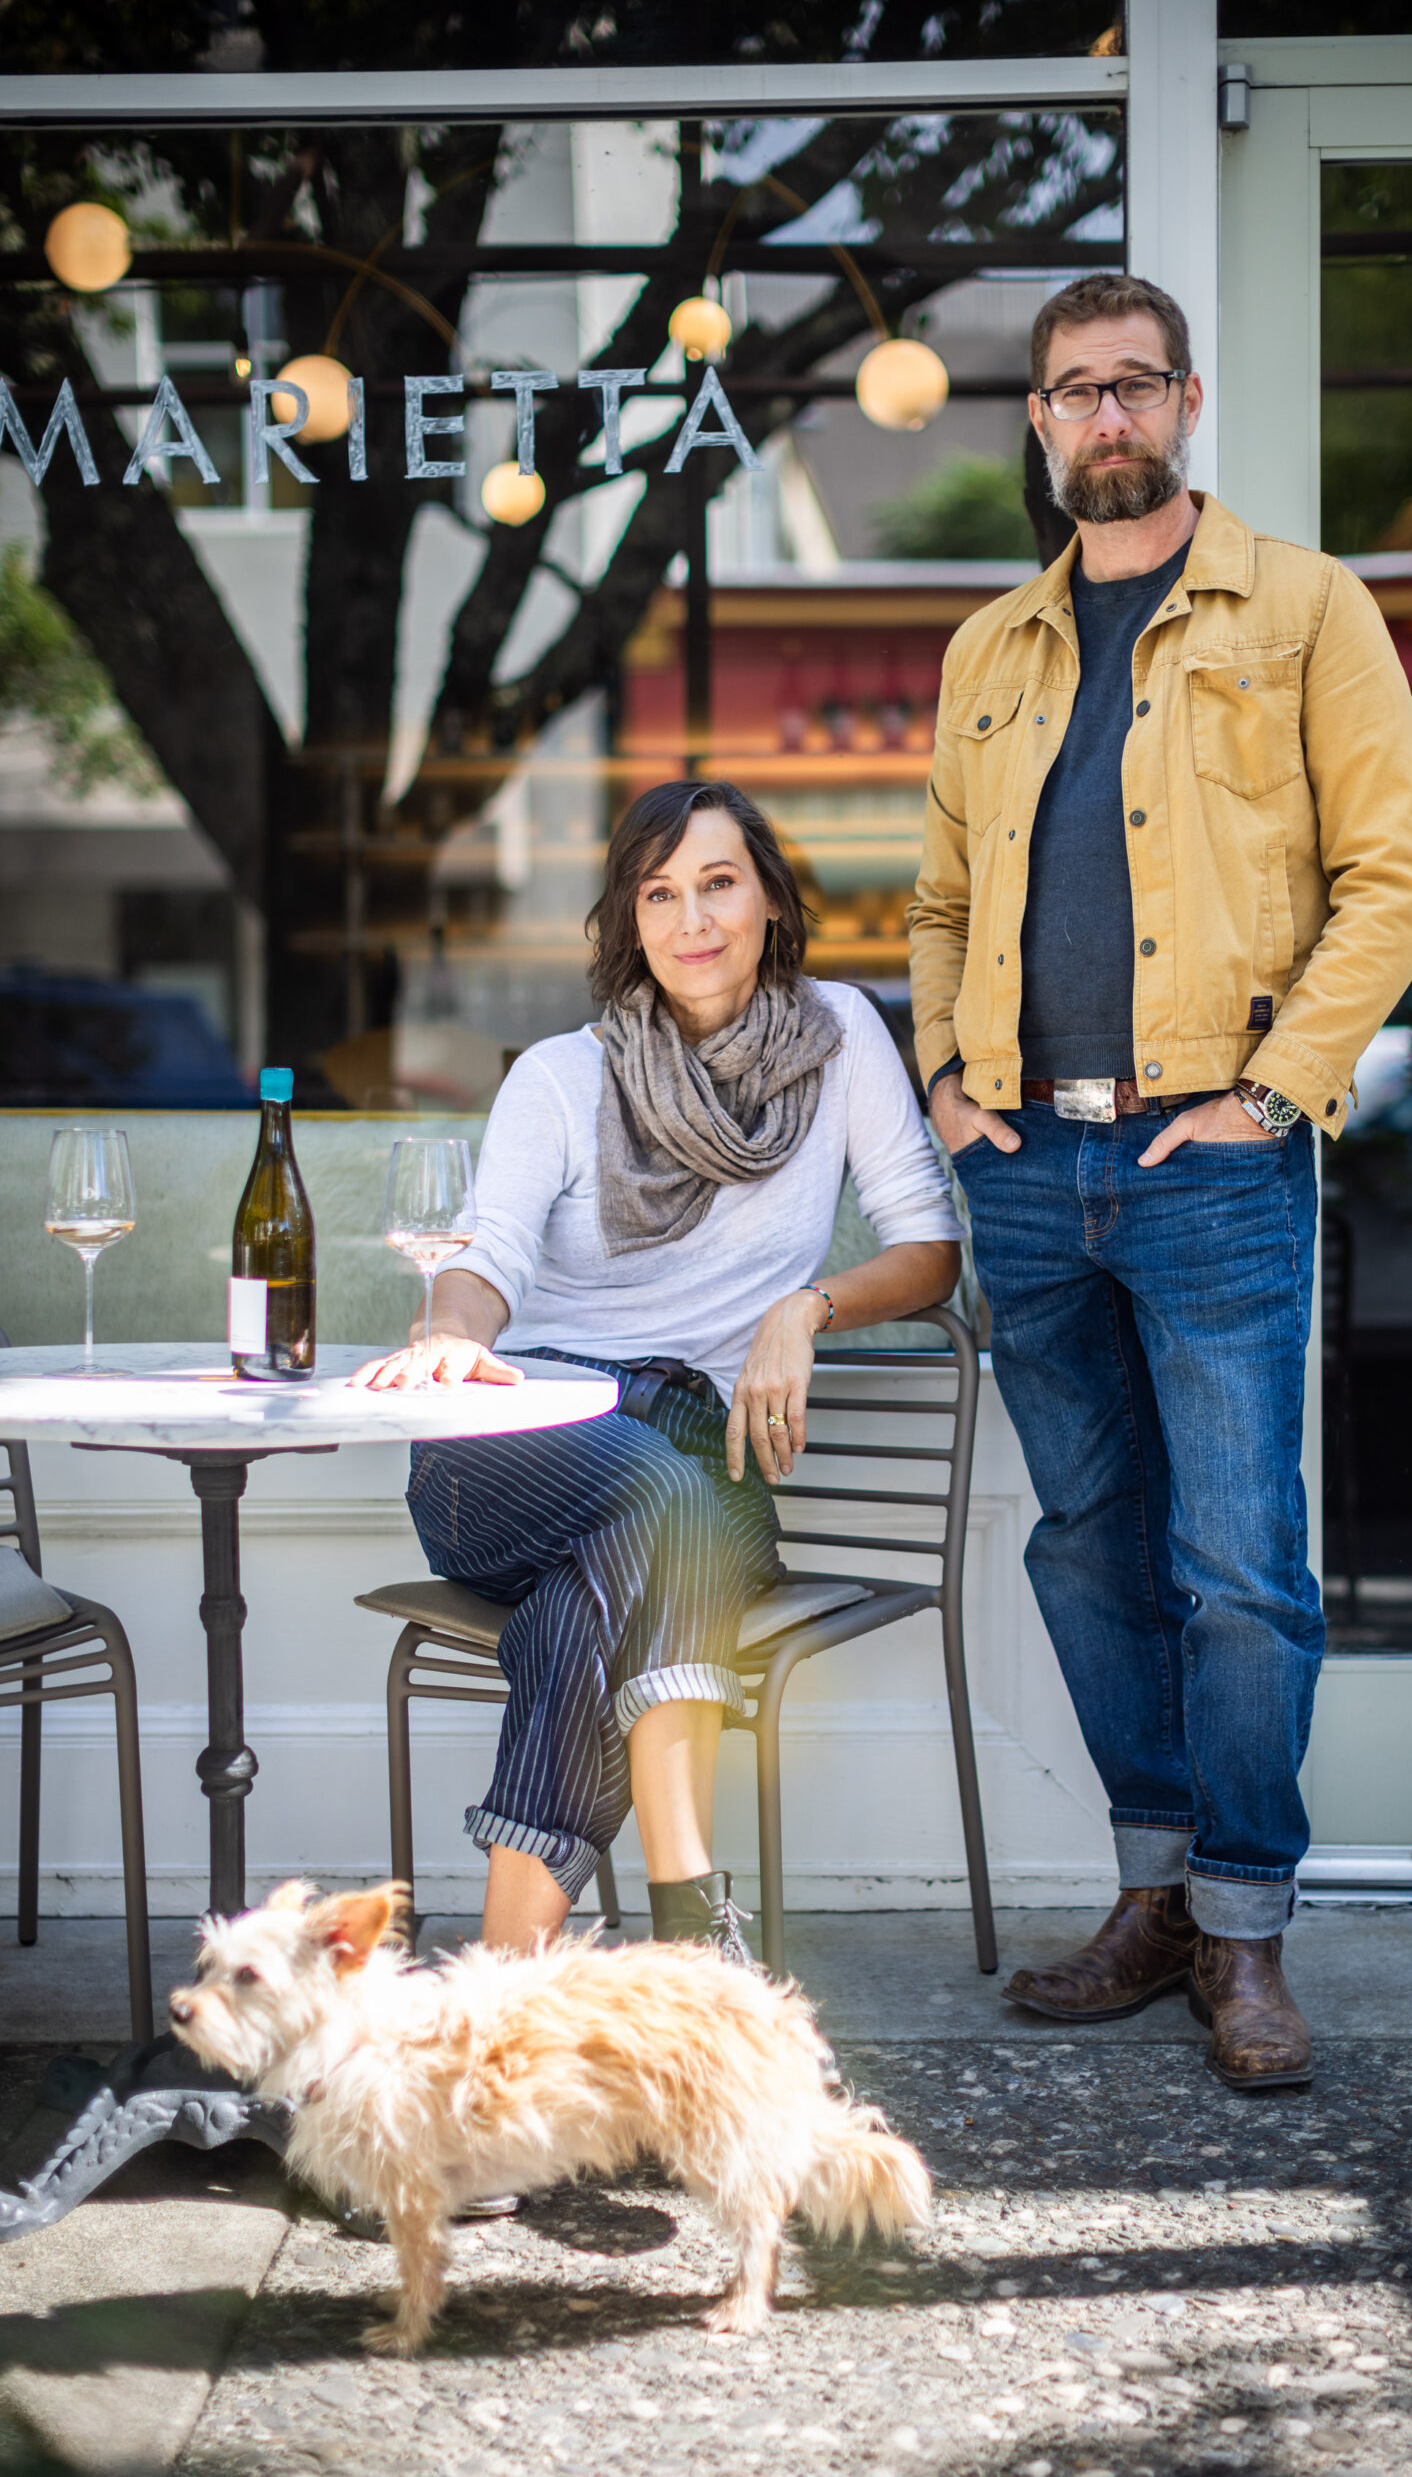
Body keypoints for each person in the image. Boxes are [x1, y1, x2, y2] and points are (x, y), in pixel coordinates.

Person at [909, 272, 1412, 2088]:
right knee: (1085, 1549)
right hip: (1025, 1162)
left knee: (1235, 1565)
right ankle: (1152, 1899)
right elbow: (939, 903)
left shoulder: (1302, 607)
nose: (1104, 417)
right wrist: (945, 1085)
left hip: (1210, 1157)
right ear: (1039, 421)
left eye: (1132, 384)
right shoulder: (990, 650)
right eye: (1073, 391)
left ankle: (1244, 1927)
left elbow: (1390, 879)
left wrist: (1271, 1095)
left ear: (1186, 401)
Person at [356, 781, 963, 1961]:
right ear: (629, 921)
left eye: (719, 883)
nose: (693, 919)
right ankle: (692, 1917)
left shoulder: (840, 1041)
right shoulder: (559, 1075)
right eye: (660, 892)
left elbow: (928, 1247)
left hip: (692, 1444)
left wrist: (806, 1307)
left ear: (772, 900)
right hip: (521, 1438)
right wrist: (454, 1333)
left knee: (586, 1608)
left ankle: (500, 1986)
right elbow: (487, 1254)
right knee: (668, 1505)